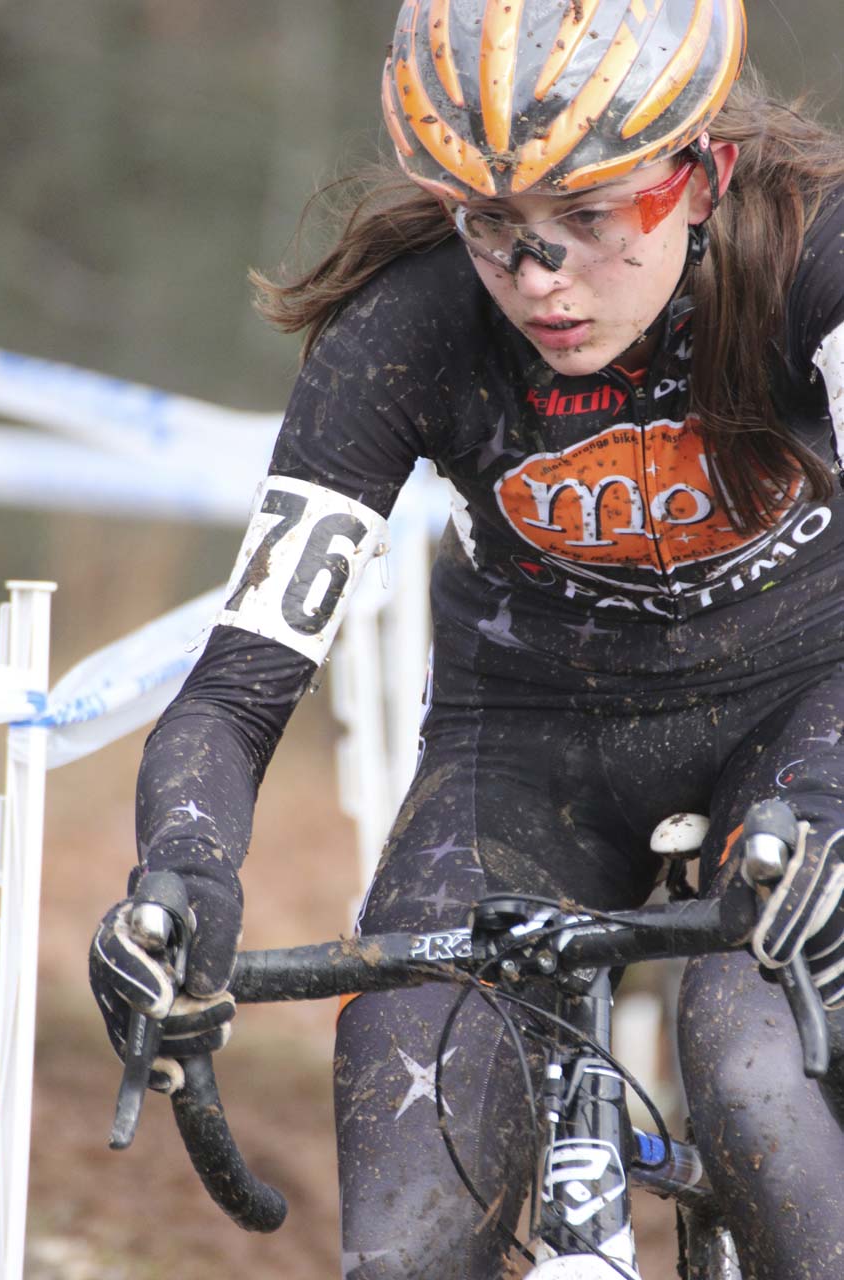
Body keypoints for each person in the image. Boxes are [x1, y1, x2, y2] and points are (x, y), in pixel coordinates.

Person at [90, 1, 844, 1276]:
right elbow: (234, 686)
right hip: (530, 745)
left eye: (590, 221)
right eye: (493, 227)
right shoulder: (406, 326)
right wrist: (182, 873)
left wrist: (826, 796)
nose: (540, 279)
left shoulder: (814, 260)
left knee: (755, 1071)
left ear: (702, 177)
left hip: (805, 708)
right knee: (403, 1230)